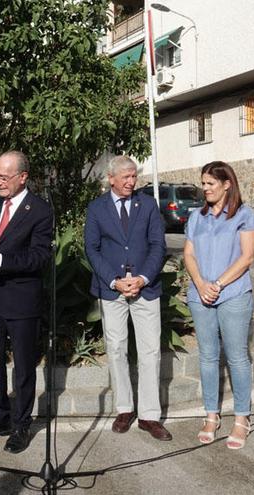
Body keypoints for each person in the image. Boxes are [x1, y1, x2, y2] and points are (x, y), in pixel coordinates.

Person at [0, 150, 52, 454]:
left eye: (4, 177)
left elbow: (40, 256)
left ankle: (20, 425)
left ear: (23, 177)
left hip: (21, 301)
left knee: (24, 368)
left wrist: (1, 259)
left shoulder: (39, 210)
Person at [83, 155, 171, 441]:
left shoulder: (147, 205)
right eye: (125, 177)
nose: (131, 182)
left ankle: (149, 416)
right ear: (111, 178)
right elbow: (92, 249)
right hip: (112, 290)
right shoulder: (96, 209)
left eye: (134, 176)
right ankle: (124, 409)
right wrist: (115, 281)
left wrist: (142, 278)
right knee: (117, 348)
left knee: (149, 351)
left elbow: (158, 245)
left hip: (145, 288)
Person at [183, 161, 254, 448]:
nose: (205, 189)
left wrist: (218, 284)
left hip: (233, 294)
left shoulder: (243, 215)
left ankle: (241, 418)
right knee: (208, 356)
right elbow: (189, 254)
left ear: (227, 184)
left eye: (210, 183)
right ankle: (211, 415)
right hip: (200, 294)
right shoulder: (196, 217)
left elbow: (248, 257)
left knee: (237, 357)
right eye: (203, 183)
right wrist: (201, 284)